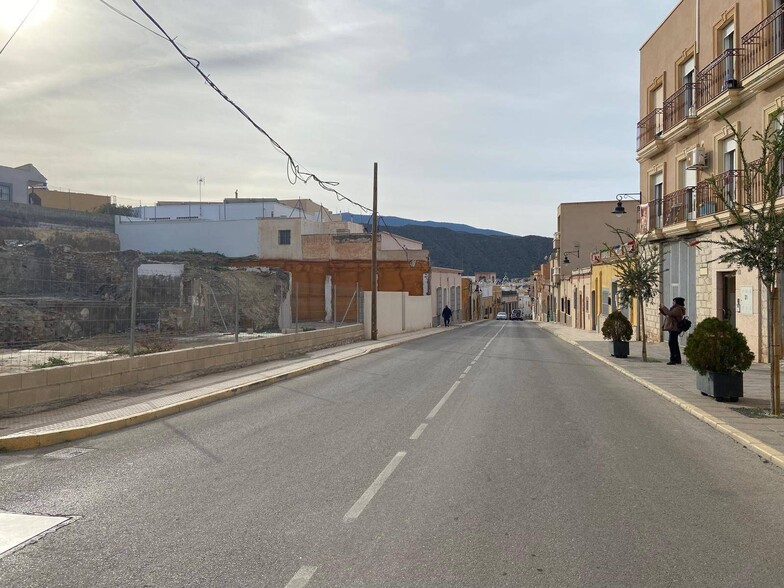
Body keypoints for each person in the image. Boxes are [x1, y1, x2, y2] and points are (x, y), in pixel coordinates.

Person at [659, 297, 686, 365]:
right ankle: (677, 359)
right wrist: (662, 310)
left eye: (674, 301)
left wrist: (663, 307)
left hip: (675, 328)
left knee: (671, 343)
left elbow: (670, 313)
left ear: (677, 302)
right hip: (672, 328)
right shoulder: (675, 308)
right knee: (674, 344)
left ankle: (673, 359)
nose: (673, 303)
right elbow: (669, 314)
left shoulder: (678, 309)